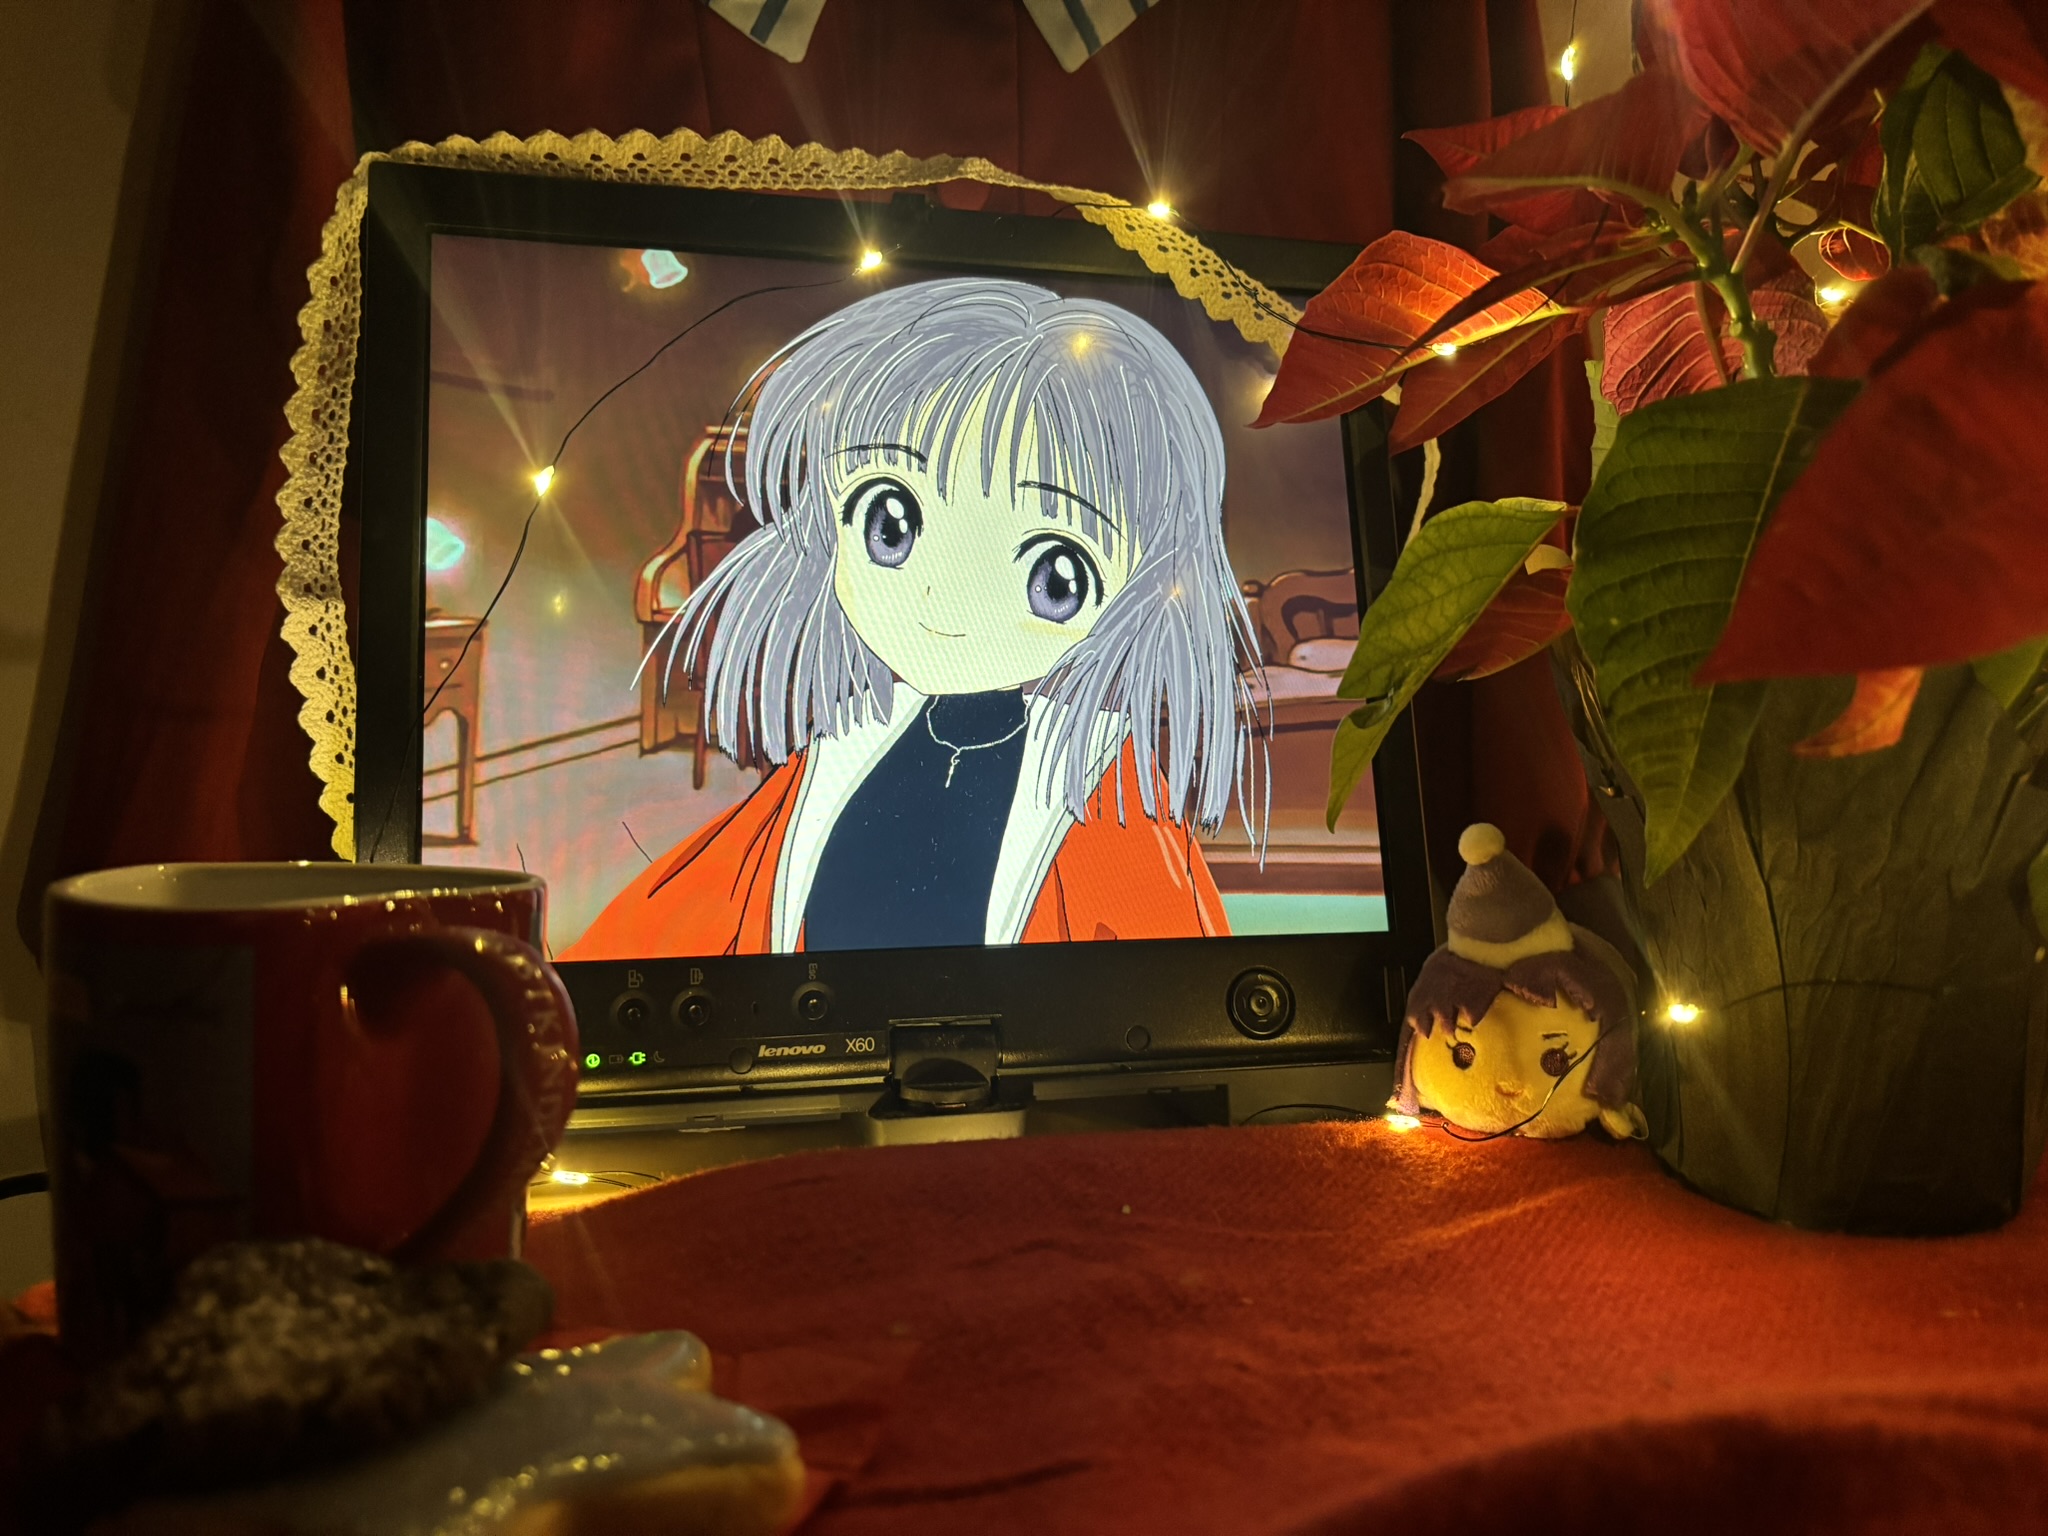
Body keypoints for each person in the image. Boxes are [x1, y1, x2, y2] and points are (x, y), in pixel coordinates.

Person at [565, 277, 1264, 959]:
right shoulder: (845, 748)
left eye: (1055, 576)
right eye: (890, 524)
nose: (943, 599)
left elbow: (1177, 980)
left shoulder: (1106, 790)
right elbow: (692, 911)